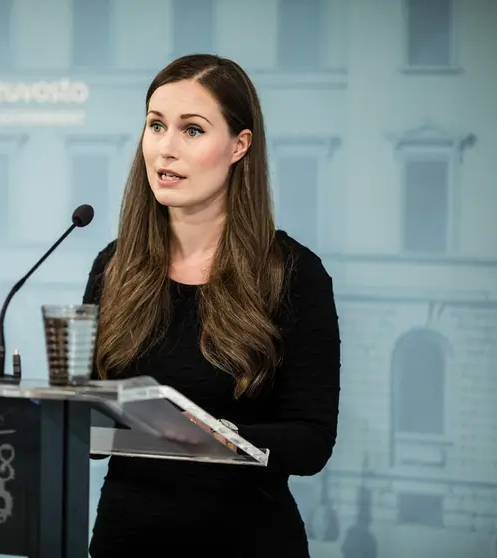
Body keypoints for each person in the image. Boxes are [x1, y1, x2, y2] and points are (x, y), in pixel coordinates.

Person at [81, 54, 341, 557]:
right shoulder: (113, 266)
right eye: (156, 126)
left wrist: (206, 435)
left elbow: (311, 442)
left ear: (239, 146)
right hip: (124, 540)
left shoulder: (293, 274)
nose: (166, 149)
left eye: (192, 130)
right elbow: (93, 425)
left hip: (246, 541)